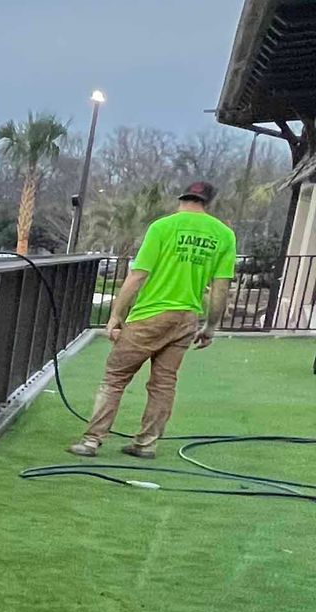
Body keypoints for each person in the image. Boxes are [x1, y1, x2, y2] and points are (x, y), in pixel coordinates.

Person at [71, 182, 236, 457]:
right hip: (186, 319)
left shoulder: (162, 228)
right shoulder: (224, 235)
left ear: (182, 198)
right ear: (208, 202)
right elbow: (221, 287)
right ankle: (146, 444)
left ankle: (91, 441)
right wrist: (210, 326)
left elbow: (138, 275)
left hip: (149, 315)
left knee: (114, 378)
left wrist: (116, 315)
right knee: (163, 384)